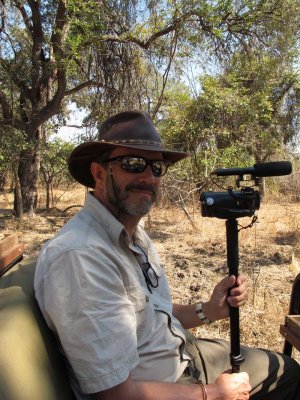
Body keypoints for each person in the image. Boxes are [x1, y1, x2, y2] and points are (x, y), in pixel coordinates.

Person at [34, 110, 300, 400]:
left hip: (183, 355)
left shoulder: (132, 233)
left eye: (157, 168)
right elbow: (114, 394)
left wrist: (207, 310)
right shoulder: (81, 257)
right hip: (166, 385)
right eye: (133, 163)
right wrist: (213, 393)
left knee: (286, 369)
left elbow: (149, 312)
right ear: (99, 173)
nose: (148, 177)